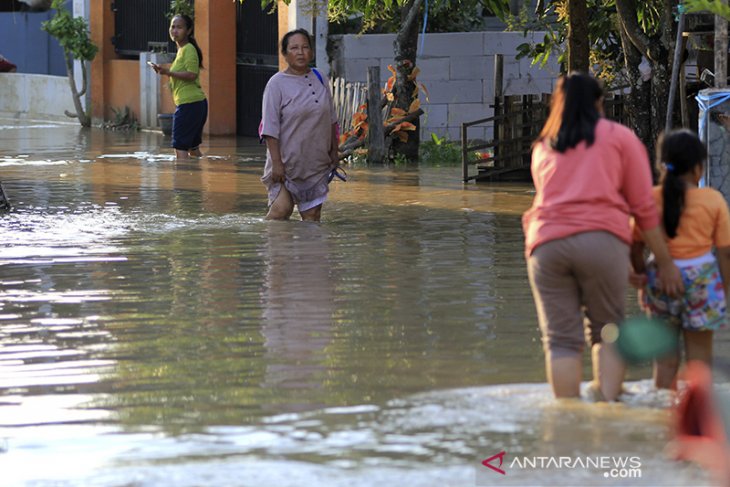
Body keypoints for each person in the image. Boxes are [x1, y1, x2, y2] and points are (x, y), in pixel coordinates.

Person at [522, 72, 683, 402]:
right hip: (601, 239)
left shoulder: (543, 146)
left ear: (559, 104)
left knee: (561, 340)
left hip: (545, 245)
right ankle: (607, 409)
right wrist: (663, 262)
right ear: (599, 102)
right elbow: (643, 207)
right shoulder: (619, 137)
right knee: (607, 330)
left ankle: (568, 417)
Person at [630, 129, 730, 389]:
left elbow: (635, 245)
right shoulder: (713, 199)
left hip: (660, 280)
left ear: (661, 165)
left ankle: (662, 420)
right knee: (700, 364)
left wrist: (642, 276)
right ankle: (695, 422)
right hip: (702, 281)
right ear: (698, 168)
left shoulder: (650, 199)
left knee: (664, 363)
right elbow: (725, 252)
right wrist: (724, 292)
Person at [259, 28, 340, 222]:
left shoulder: (320, 78)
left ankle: (309, 252)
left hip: (315, 162)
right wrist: (277, 163)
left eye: (305, 47)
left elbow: (332, 120)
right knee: (281, 211)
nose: (301, 52)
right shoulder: (276, 84)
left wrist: (334, 152)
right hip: (286, 163)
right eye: (294, 48)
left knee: (312, 217)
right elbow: (269, 128)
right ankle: (272, 250)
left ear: (311, 52)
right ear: (285, 54)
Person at [149, 14, 207, 160]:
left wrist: (168, 72)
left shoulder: (188, 49)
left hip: (189, 105)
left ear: (188, 31)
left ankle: (182, 182)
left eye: (179, 27)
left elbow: (192, 74)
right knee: (193, 151)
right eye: (172, 27)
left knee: (180, 151)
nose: (175, 30)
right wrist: (165, 72)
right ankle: (198, 180)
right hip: (195, 105)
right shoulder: (182, 50)